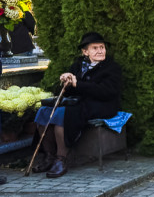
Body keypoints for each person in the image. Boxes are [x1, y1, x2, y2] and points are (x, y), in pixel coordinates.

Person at [33, 32, 123, 179]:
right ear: (85, 51)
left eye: (102, 47)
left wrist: (78, 84)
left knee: (64, 114)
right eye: (95, 48)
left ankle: (61, 158)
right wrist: (66, 81)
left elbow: (106, 92)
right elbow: (67, 92)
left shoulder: (112, 68)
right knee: (44, 111)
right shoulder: (78, 65)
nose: (100, 51)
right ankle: (49, 156)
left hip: (102, 105)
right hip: (79, 103)